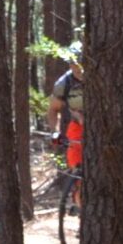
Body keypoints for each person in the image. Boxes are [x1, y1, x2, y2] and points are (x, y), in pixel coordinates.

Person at [46, 41, 85, 193]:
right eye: (72, 62)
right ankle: (79, 195)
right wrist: (55, 132)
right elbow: (53, 109)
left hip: (101, 125)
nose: (76, 66)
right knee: (75, 164)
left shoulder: (100, 77)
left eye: (79, 62)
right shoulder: (64, 83)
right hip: (77, 125)